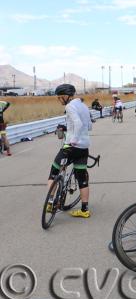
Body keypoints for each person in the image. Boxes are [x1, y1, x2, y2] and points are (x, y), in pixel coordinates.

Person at [47, 84, 93, 218]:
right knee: (82, 178)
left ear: (66, 96)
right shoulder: (83, 106)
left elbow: (77, 124)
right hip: (84, 147)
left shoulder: (69, 106)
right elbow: (88, 126)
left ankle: (50, 202)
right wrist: (71, 129)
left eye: (60, 97)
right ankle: (84, 210)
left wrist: (73, 140)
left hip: (72, 147)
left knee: (54, 172)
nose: (59, 100)